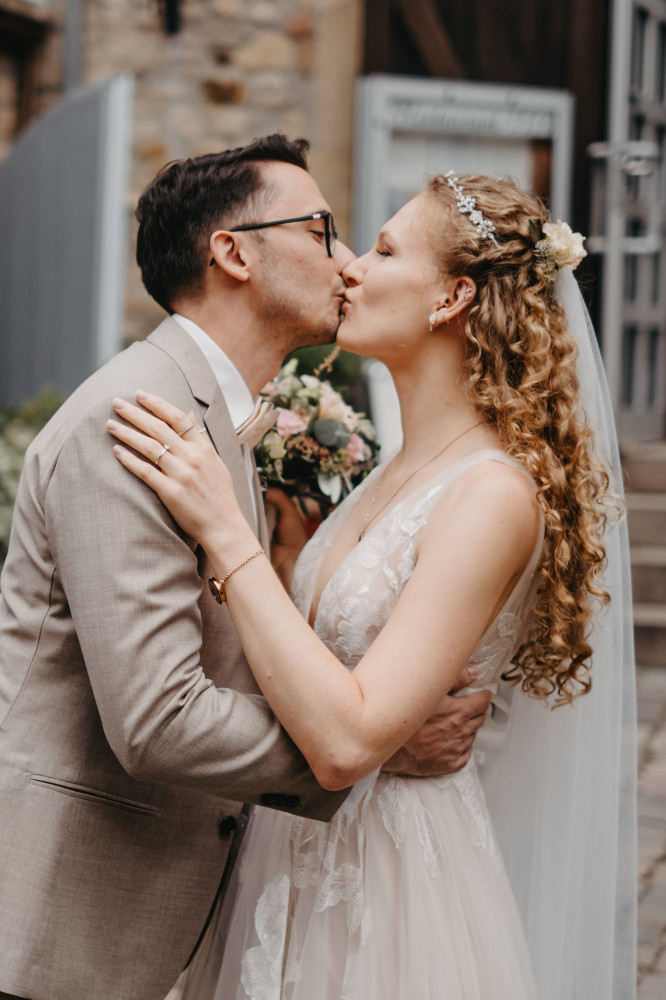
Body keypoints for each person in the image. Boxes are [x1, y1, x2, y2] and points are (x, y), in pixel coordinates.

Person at [109, 171, 637, 1000]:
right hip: (282, 858)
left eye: (385, 249)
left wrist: (222, 527)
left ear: (452, 298)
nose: (350, 265)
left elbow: (350, 739)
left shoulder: (491, 496)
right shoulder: (389, 472)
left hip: (386, 880)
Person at [0, 137, 489, 1000]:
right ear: (233, 252)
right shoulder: (137, 426)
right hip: (61, 927)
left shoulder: (218, 421)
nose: (346, 263)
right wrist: (371, 751)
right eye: (323, 231)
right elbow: (157, 718)